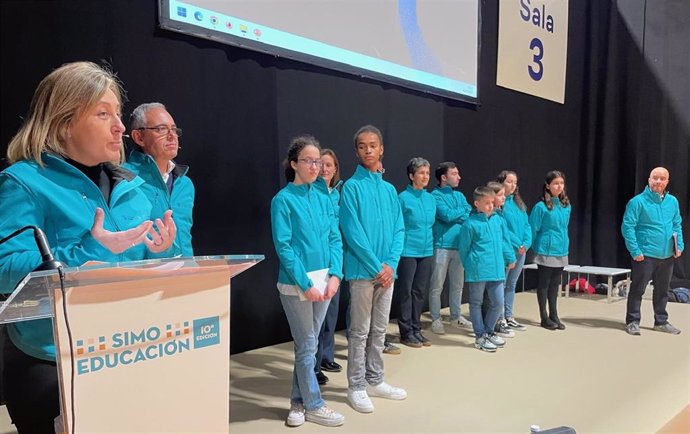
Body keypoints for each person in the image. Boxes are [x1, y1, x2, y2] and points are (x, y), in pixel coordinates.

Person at [0, 61, 177, 433]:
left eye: (118, 114)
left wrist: (160, 252)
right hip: (53, 361)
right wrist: (87, 250)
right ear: (64, 122)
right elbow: (4, 269)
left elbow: (139, 267)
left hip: (125, 349)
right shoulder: (25, 182)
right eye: (103, 113)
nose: (119, 127)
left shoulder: (134, 189)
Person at [270, 135, 345, 427]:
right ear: (294, 164)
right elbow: (284, 247)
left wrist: (336, 274)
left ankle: (298, 402)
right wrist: (305, 284)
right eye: (308, 161)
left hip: (325, 282)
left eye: (318, 161)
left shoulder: (325, 195)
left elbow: (334, 237)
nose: (315, 166)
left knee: (308, 346)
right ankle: (314, 404)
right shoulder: (283, 200)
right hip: (296, 285)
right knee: (307, 344)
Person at [340, 125, 406, 413]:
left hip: (386, 274)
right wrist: (375, 266)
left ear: (381, 149)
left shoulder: (390, 190)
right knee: (359, 331)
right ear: (356, 151)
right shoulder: (351, 187)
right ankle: (356, 386)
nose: (368, 150)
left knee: (380, 329)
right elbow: (352, 232)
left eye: (373, 145)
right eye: (363, 146)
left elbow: (399, 230)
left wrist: (390, 265)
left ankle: (375, 379)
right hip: (362, 273)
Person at [125, 102, 195, 257]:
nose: (171, 136)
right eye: (161, 129)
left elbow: (185, 238)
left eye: (174, 129)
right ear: (139, 137)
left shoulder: (185, 184)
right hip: (146, 277)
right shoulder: (125, 179)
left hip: (187, 276)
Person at [621, 167, 684, 336]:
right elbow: (627, 227)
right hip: (645, 255)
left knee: (663, 290)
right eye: (655, 178)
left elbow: (677, 224)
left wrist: (679, 246)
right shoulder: (637, 202)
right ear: (649, 180)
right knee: (638, 289)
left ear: (667, 182)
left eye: (662, 179)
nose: (658, 181)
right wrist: (635, 250)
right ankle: (633, 321)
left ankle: (661, 321)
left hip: (667, 255)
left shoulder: (672, 202)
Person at [459, 186, 516, 352]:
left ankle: (489, 331)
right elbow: (464, 249)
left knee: (498, 303)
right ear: (477, 203)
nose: (491, 206)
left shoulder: (498, 220)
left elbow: (504, 241)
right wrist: (470, 265)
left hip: (497, 269)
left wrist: (509, 257)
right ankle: (479, 336)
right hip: (478, 270)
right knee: (476, 303)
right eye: (487, 203)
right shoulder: (470, 224)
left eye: (492, 202)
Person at [395, 157, 436, 348]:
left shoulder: (430, 199)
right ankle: (405, 332)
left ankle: (416, 328)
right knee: (406, 292)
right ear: (412, 176)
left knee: (419, 292)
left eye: (427, 173)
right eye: (421, 173)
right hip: (407, 251)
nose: (425, 176)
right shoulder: (403, 198)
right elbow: (397, 225)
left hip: (426, 251)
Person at [429, 162, 472, 335]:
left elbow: (469, 212)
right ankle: (435, 318)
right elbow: (445, 215)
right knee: (437, 285)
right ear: (444, 177)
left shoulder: (460, 196)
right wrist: (459, 213)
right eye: (454, 174)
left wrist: (457, 212)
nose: (459, 177)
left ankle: (456, 316)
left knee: (457, 285)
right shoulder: (434, 195)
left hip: (459, 246)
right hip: (441, 246)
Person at [314, 148, 343, 385]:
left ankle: (326, 356)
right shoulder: (312, 193)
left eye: (329, 165)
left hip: (335, 261)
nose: (325, 169)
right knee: (316, 319)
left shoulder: (337, 194)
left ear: (335, 169)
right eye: (321, 164)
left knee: (331, 314)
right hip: (316, 264)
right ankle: (313, 365)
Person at [529, 170, 571, 331]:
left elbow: (564, 228)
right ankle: (544, 316)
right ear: (548, 186)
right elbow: (533, 228)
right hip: (546, 250)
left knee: (555, 284)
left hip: (561, 249)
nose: (559, 186)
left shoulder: (566, 205)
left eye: (561, 183)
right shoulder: (541, 207)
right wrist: (531, 246)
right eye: (555, 183)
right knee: (544, 284)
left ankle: (554, 314)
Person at [497, 171, 531, 332]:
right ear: (502, 183)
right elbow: (504, 229)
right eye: (509, 181)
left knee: (511, 284)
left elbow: (527, 225)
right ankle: (499, 317)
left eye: (515, 182)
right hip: (507, 250)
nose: (513, 185)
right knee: (501, 284)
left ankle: (509, 316)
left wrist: (526, 243)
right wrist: (518, 244)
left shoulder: (519, 204)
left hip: (521, 250)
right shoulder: (500, 204)